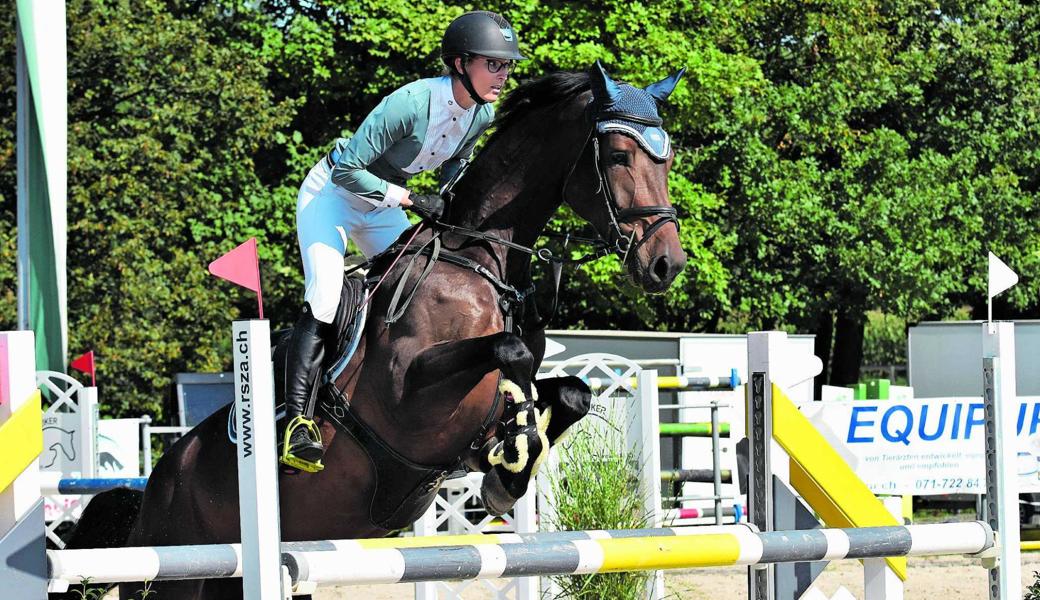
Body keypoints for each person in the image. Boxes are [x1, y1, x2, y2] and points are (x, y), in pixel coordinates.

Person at [281, 11, 527, 472]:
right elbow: (347, 170)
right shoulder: (411, 103)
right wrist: (412, 198)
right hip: (332, 197)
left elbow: (457, 163)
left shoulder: (481, 113)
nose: (503, 75)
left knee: (418, 282)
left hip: (386, 205)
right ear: (460, 63)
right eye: (494, 64)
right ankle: (299, 423)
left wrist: (452, 195)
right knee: (326, 294)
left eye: (507, 66)